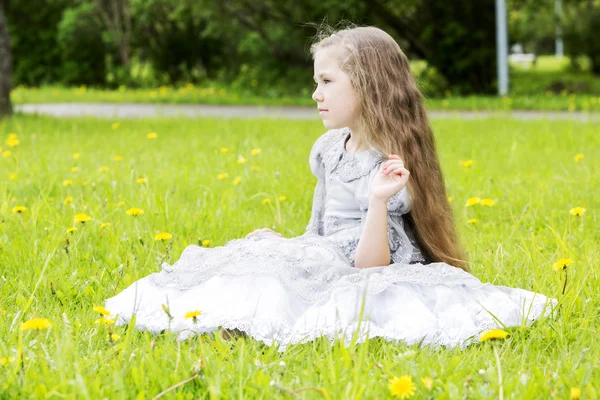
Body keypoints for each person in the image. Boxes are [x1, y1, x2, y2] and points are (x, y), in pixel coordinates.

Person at [103, 25, 556, 351]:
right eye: (315, 82)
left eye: (326, 82)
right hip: (324, 250)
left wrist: (377, 201)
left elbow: (371, 265)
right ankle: (217, 319)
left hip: (355, 258)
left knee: (294, 279)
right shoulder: (328, 148)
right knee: (258, 256)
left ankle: (244, 327)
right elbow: (318, 226)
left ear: (368, 85)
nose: (316, 94)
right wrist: (295, 244)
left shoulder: (389, 167)